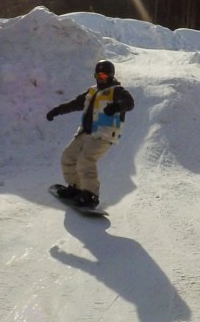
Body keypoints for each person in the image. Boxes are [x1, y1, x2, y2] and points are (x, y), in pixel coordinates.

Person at [46, 59, 135, 209]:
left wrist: (117, 106)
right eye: (97, 75)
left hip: (104, 135)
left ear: (111, 76)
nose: (100, 79)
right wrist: (57, 110)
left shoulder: (117, 91)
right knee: (68, 156)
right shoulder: (92, 91)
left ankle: (90, 195)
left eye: (103, 76)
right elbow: (75, 103)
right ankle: (76, 188)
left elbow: (129, 102)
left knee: (85, 160)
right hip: (86, 133)